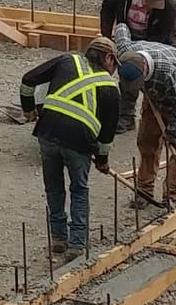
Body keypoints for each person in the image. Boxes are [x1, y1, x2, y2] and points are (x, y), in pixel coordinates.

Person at [21, 35, 121, 261]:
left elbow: (28, 80)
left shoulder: (67, 61)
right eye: (115, 63)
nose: (114, 70)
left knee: (54, 187)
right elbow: (106, 134)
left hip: (47, 132)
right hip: (79, 141)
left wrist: (29, 109)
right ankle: (76, 244)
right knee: (79, 189)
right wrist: (102, 160)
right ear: (107, 58)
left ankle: (58, 238)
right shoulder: (110, 88)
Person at [117, 39, 176, 207]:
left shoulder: (168, 72)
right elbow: (121, 28)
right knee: (147, 142)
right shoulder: (127, 52)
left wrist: (172, 132)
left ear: (145, 70)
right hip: (154, 96)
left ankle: (172, 195)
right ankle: (144, 191)